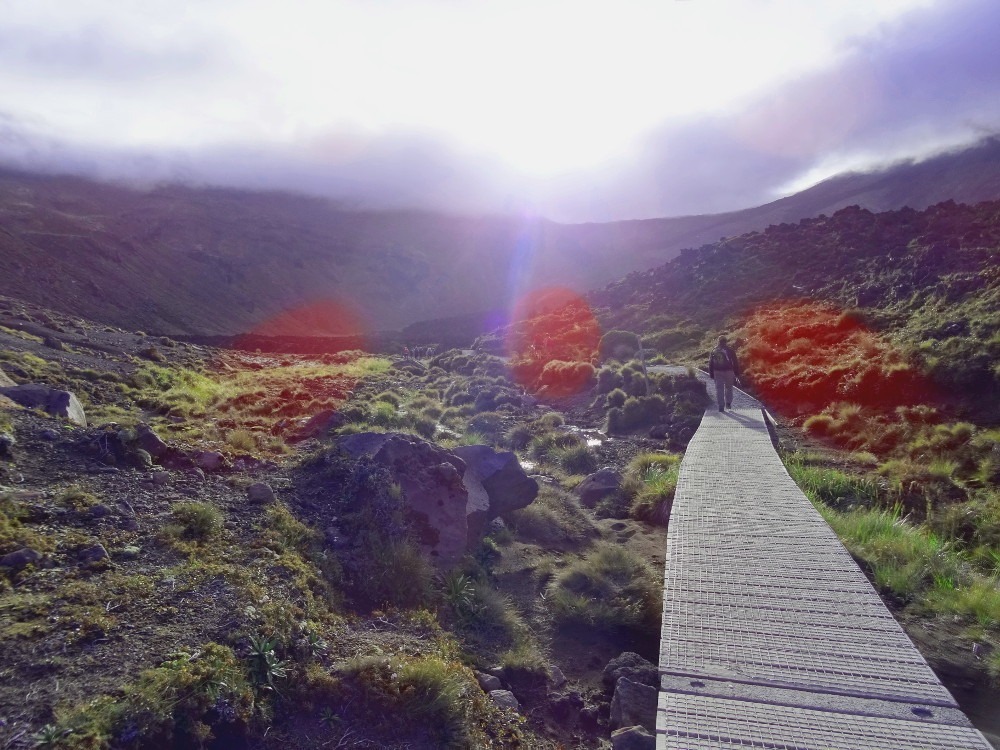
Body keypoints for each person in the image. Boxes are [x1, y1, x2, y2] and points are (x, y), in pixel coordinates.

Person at [708, 335, 741, 412]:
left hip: (717, 372)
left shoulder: (714, 350)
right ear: (726, 341)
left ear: (718, 341)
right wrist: (736, 373)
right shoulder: (730, 350)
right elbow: (735, 362)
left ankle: (721, 406)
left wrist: (711, 373)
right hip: (729, 371)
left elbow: (710, 363)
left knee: (719, 389)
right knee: (729, 388)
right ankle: (728, 403)